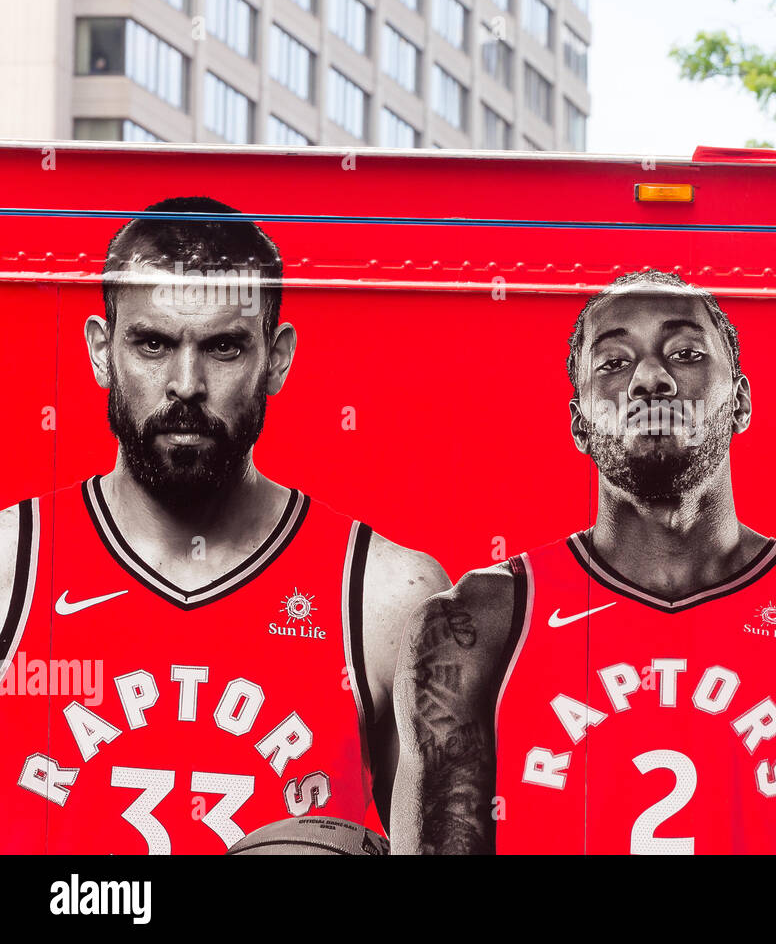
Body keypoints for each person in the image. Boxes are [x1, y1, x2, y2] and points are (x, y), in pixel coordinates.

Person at [391, 269, 776, 854]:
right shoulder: (476, 628)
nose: (650, 379)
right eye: (613, 363)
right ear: (579, 422)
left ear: (742, 402)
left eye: (684, 353)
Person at [0, 197, 448, 853]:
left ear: (277, 358)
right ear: (101, 352)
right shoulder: (12, 568)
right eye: (152, 343)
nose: (187, 383)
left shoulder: (386, 596)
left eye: (224, 346)